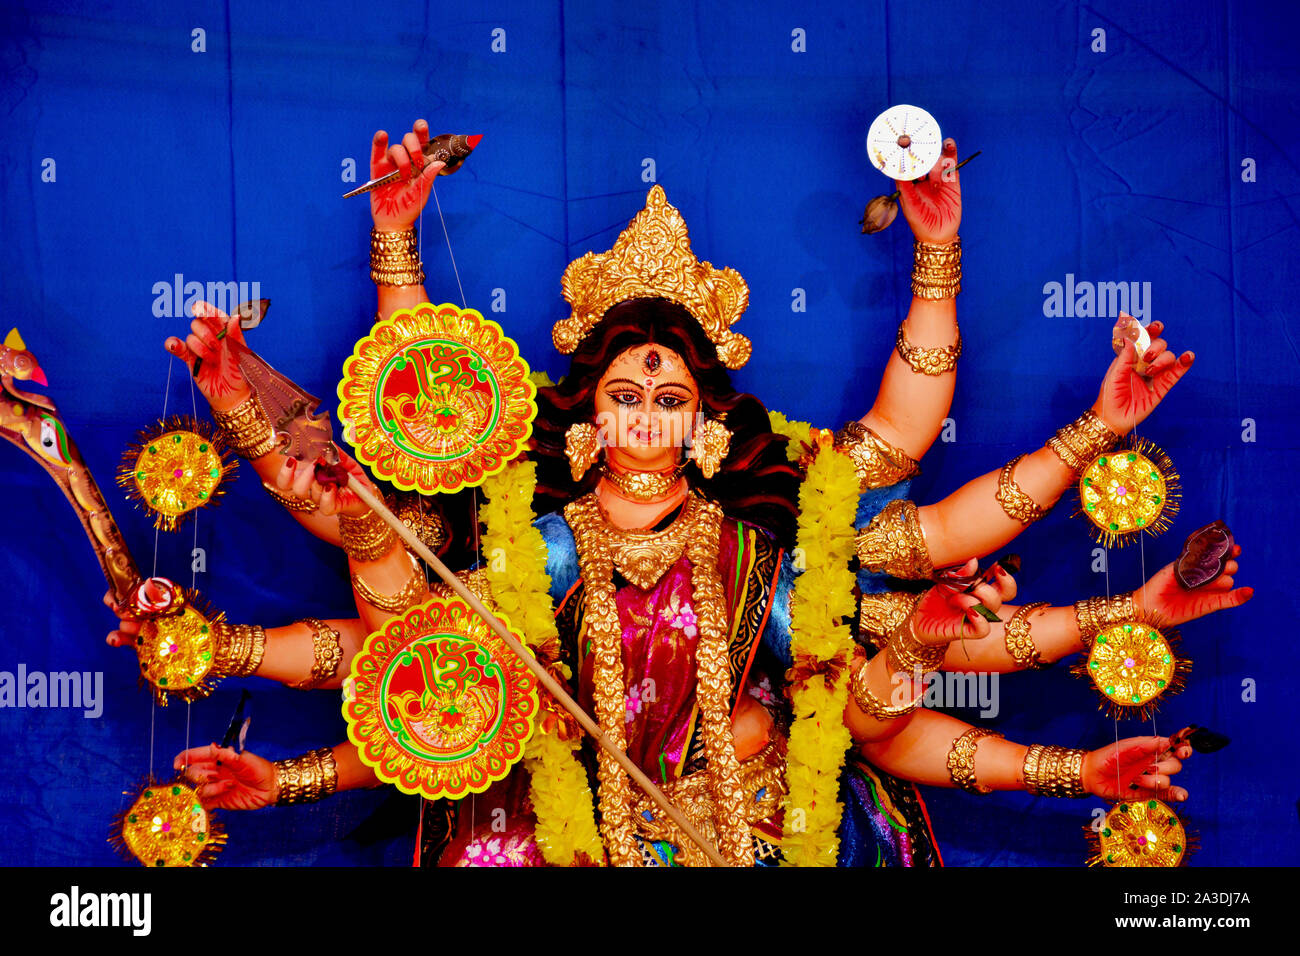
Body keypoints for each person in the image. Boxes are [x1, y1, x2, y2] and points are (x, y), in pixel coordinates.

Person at [107, 119, 1251, 866]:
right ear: (588, 418)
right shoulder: (531, 548)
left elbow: (915, 557)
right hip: (558, 834)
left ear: (706, 420)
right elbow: (403, 626)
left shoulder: (763, 544)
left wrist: (1111, 547)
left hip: (756, 824)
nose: (647, 411)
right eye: (624, 392)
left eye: (670, 394)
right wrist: (275, 755)